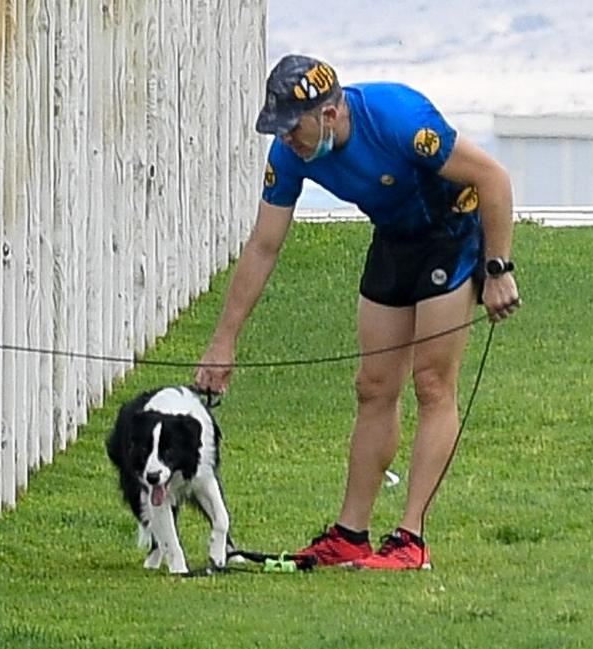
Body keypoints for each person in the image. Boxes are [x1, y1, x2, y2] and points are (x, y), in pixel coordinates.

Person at [195, 54, 521, 570]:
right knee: (373, 385)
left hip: (451, 237)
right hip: (394, 239)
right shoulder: (291, 156)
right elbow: (264, 245)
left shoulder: (398, 119)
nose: (286, 140)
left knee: (433, 384)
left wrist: (498, 269)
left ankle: (410, 539)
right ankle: (351, 534)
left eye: (292, 127)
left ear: (328, 114)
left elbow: (493, 179)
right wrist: (224, 340)